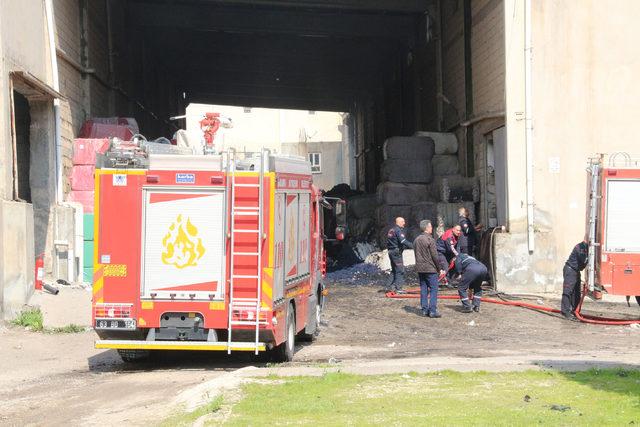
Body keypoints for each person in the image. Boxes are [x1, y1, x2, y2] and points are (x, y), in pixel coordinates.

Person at [414, 220, 447, 318]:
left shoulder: (416, 240)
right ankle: (432, 310)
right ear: (427, 228)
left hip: (420, 268)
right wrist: (439, 268)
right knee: (433, 289)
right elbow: (435, 256)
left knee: (423, 288)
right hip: (430, 268)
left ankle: (424, 310)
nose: (432, 228)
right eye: (431, 226)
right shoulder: (430, 239)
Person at [561, 240, 588, 321]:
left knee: (577, 293)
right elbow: (583, 260)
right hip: (570, 270)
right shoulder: (580, 247)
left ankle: (575, 311)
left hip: (576, 271)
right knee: (568, 291)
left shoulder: (586, 248)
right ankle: (565, 312)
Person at [385, 217, 413, 293]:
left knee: (394, 270)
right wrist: (414, 246)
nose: (404, 223)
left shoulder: (391, 230)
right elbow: (403, 241)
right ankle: (398, 288)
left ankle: (388, 287)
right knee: (400, 270)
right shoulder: (398, 230)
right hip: (396, 252)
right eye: (403, 221)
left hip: (391, 251)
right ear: (399, 222)